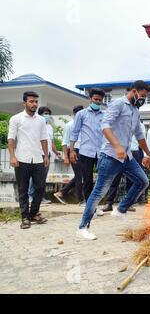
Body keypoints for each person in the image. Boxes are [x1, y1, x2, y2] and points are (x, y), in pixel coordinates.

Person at [77, 81, 150, 240]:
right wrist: (117, 146)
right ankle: (83, 227)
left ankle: (120, 210)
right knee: (99, 193)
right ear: (134, 91)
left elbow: (139, 135)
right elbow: (105, 125)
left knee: (142, 181)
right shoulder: (118, 104)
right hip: (110, 156)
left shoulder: (135, 111)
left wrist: (148, 154)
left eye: (146, 97)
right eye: (143, 96)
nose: (143, 99)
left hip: (126, 157)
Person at [7, 91, 50, 229]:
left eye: (36, 102)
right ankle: (25, 217)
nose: (34, 104)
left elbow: (44, 138)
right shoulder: (16, 119)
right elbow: (11, 139)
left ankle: (34, 213)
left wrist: (46, 156)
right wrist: (12, 156)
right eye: (31, 101)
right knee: (23, 189)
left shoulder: (41, 120)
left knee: (40, 187)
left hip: (38, 158)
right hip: (21, 159)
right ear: (24, 103)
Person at [70, 88, 105, 215]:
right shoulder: (81, 114)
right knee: (87, 180)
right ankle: (89, 208)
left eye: (100, 100)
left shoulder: (105, 115)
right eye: (95, 99)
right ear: (90, 99)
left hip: (101, 152)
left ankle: (95, 205)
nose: (97, 102)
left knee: (102, 180)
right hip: (86, 152)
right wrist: (72, 150)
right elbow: (75, 132)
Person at [102, 122, 146, 212]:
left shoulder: (140, 125)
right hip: (118, 152)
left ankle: (128, 204)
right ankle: (109, 203)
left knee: (132, 180)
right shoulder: (118, 122)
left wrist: (146, 155)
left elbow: (142, 139)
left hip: (133, 152)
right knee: (115, 178)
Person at [28, 106, 62, 203]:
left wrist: (56, 152)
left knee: (43, 177)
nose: (47, 116)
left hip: (48, 155)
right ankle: (30, 195)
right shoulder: (36, 125)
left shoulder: (50, 127)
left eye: (48, 114)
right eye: (45, 113)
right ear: (40, 114)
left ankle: (40, 198)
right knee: (35, 176)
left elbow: (51, 142)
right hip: (38, 154)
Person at [53, 105, 85, 205]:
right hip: (73, 151)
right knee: (80, 177)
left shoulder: (85, 124)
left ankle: (61, 192)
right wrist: (66, 157)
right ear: (76, 114)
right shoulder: (70, 125)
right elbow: (64, 142)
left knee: (81, 175)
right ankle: (81, 200)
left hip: (84, 151)